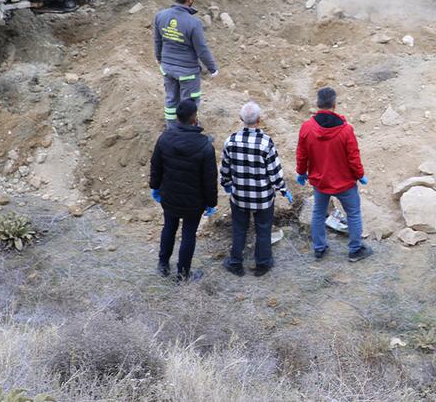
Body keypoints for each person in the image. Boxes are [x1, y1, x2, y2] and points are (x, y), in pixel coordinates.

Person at [295, 87, 372, 262]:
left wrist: (301, 172)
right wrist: (360, 175)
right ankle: (355, 249)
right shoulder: (346, 130)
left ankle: (319, 248)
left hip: (320, 182)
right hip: (344, 182)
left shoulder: (306, 128)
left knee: (318, 212)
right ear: (334, 105)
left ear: (317, 104)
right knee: (352, 214)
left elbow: (301, 154)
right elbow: (353, 158)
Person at [220, 101, 293, 277]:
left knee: (239, 229)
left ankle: (236, 263)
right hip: (263, 198)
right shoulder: (266, 143)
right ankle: (263, 263)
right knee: (263, 229)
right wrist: (283, 189)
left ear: (241, 119)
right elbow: (274, 172)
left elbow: (225, 169)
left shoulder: (230, 141)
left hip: (239, 197)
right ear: (259, 120)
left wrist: (227, 184)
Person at [149, 98, 217, 282]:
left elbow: (156, 165)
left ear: (177, 118)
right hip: (193, 203)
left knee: (169, 228)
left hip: (169, 197)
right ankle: (182, 275)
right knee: (188, 234)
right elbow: (209, 179)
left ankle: (163, 265)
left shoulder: (164, 138)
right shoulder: (204, 146)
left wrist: (155, 187)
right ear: (194, 118)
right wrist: (211, 203)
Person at [153, 0, 218, 128]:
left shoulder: (160, 16)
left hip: (168, 68)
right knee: (189, 103)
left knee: (171, 100)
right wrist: (212, 68)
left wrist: (159, 58)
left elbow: (157, 41)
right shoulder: (193, 23)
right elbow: (201, 49)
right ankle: (188, 131)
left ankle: (171, 129)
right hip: (188, 72)